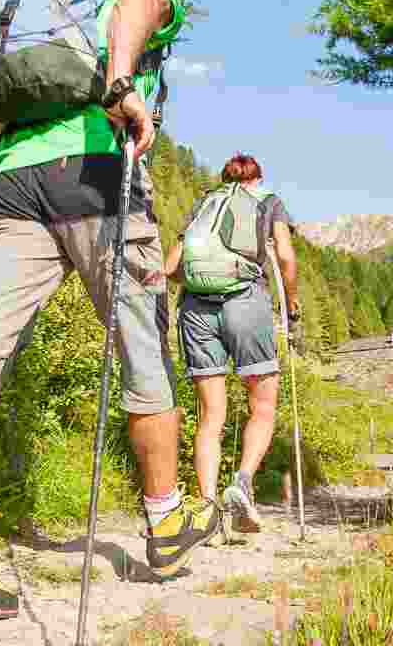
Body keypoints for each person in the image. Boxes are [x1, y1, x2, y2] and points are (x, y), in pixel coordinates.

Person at [0, 0, 221, 623]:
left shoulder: (24, 18)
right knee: (142, 349)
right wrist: (123, 82)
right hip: (99, 173)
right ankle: (165, 521)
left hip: (14, 184)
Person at [145, 154, 300, 534]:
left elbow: (174, 261)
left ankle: (208, 508)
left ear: (225, 178)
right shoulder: (269, 201)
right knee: (262, 406)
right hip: (245, 301)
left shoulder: (205, 203)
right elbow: (283, 254)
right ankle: (242, 482)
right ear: (258, 178)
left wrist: (165, 283)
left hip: (196, 308)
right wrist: (290, 301)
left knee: (210, 416)